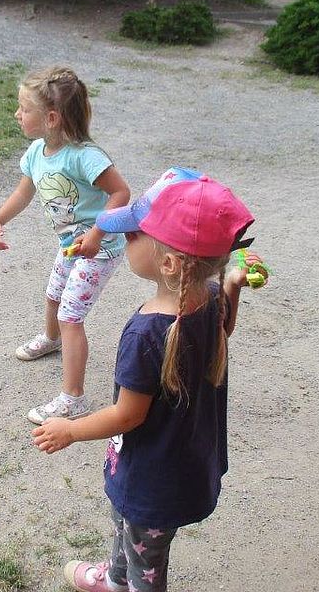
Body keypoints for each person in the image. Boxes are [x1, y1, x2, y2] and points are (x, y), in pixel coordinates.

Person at [31, 167, 267, 592]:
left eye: (136, 234)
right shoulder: (209, 297)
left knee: (148, 564)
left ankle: (129, 582)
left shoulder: (145, 333)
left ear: (170, 263)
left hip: (152, 479)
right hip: (176, 465)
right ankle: (116, 576)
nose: (127, 238)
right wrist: (231, 286)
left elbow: (127, 416)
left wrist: (70, 429)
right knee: (127, 529)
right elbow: (224, 328)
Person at [0, 66, 130, 425]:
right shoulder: (36, 152)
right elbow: (24, 191)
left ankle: (73, 398)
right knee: (53, 295)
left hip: (100, 248)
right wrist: (0, 218)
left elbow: (121, 192)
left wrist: (97, 234)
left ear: (50, 118)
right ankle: (51, 340)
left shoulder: (85, 156)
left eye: (24, 109)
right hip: (71, 244)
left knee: (71, 314)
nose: (17, 115)